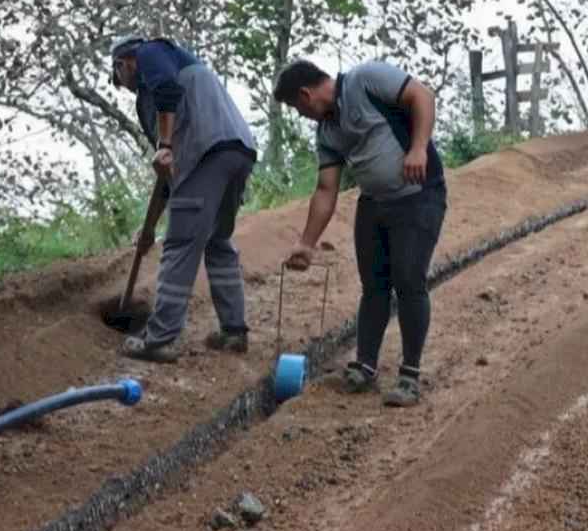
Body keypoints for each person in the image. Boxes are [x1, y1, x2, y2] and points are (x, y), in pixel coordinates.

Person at [273, 58, 447, 408]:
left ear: (305, 95)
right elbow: (326, 190)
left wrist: (417, 148)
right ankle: (364, 366)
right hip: (374, 204)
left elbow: (422, 96)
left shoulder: (365, 81)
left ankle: (410, 376)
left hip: (419, 196)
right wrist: (306, 243)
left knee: (409, 281)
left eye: (295, 106)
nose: (299, 113)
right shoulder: (326, 131)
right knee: (374, 286)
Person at [109, 35, 259, 363]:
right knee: (217, 241)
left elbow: (167, 96)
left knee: (179, 243)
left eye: (118, 78)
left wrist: (164, 144)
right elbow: (168, 176)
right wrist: (148, 229)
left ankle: (159, 338)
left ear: (123, 63)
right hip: (237, 151)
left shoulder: (151, 53)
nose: (126, 88)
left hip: (205, 152)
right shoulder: (176, 80)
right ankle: (234, 333)